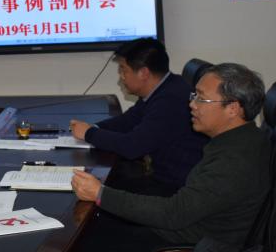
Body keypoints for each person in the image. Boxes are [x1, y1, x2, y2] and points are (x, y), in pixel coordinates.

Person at [46, 62, 272, 252]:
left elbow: (174, 214)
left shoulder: (234, 161)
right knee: (79, 237)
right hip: (184, 236)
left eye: (201, 98)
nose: (192, 104)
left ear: (233, 108)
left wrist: (100, 193)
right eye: (194, 95)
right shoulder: (240, 140)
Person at [69, 38, 205, 194]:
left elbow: (132, 147)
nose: (121, 77)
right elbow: (129, 120)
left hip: (175, 189)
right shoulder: (166, 86)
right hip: (164, 177)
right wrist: (94, 127)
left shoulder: (170, 100)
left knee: (93, 188)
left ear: (143, 73)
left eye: (123, 70)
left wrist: (89, 133)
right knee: (103, 179)